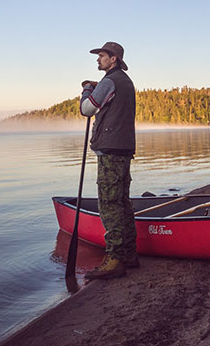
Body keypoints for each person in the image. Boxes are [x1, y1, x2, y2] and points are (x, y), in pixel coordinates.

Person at [79, 41, 137, 279]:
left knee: (109, 206)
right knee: (122, 203)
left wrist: (86, 89)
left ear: (113, 59)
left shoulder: (110, 81)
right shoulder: (126, 81)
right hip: (124, 149)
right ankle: (129, 254)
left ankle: (114, 259)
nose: (98, 60)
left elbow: (87, 109)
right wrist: (97, 86)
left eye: (101, 56)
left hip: (110, 150)